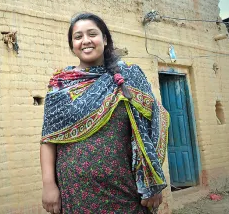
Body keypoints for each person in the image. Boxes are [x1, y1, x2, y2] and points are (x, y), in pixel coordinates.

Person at [40, 12, 170, 214]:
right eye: (78, 37)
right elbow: (49, 139)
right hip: (75, 192)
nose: (85, 41)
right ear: (72, 45)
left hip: (125, 190)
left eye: (92, 34)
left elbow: (153, 126)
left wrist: (152, 181)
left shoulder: (129, 77)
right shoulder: (60, 85)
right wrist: (49, 184)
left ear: (105, 39)